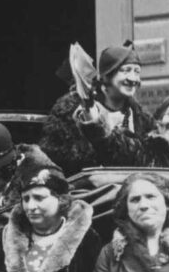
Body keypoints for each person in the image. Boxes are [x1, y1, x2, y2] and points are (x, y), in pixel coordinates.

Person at [41, 40, 154, 175]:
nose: (133, 78)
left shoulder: (143, 119)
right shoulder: (71, 111)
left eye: (137, 72)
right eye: (126, 70)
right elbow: (58, 159)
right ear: (107, 75)